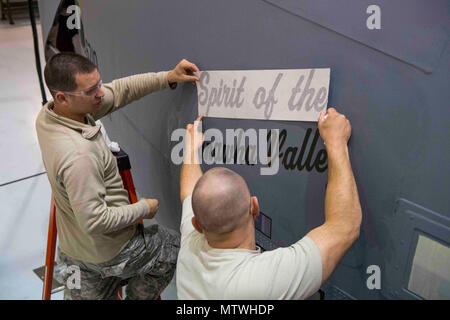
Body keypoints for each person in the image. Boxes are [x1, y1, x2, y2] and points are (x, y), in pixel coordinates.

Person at [36, 52, 200, 299]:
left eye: (98, 84)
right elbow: (96, 221)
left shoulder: (48, 117)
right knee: (173, 247)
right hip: (110, 250)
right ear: (62, 98)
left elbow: (121, 90)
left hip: (73, 251)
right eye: (91, 91)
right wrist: (144, 208)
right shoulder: (79, 155)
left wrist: (167, 77)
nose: (100, 93)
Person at [177, 110, 362, 299]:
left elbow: (189, 193)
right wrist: (336, 142)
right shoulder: (258, 282)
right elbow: (344, 227)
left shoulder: (188, 250)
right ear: (254, 207)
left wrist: (191, 151)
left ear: (197, 225)